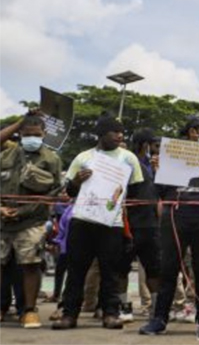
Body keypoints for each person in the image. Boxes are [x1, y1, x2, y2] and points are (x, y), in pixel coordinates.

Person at [53, 115, 143, 330]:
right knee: (76, 269)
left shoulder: (128, 158)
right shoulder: (84, 157)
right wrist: (77, 181)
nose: (120, 135)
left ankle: (110, 313)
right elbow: (70, 191)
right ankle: (69, 314)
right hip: (82, 220)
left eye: (121, 131)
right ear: (101, 134)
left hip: (112, 223)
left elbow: (137, 189)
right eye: (114, 131)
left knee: (110, 270)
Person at [140, 113, 199, 337]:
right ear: (192, 132)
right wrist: (157, 171)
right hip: (175, 216)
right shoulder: (171, 154)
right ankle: (159, 319)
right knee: (168, 268)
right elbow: (157, 192)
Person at [0, 111, 63, 329]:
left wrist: (23, 211)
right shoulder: (7, 154)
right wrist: (2, 209)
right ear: (19, 135)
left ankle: (29, 310)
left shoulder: (51, 158)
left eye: (36, 134)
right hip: (2, 221)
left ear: (44, 134)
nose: (32, 138)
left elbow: (53, 192)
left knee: (31, 265)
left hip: (32, 221)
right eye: (27, 134)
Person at [115, 128, 162, 323]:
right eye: (155, 146)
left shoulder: (159, 166)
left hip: (151, 226)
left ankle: (157, 309)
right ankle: (124, 307)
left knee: (154, 269)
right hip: (129, 225)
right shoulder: (128, 163)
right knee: (121, 268)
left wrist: (160, 172)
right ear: (145, 145)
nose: (158, 150)